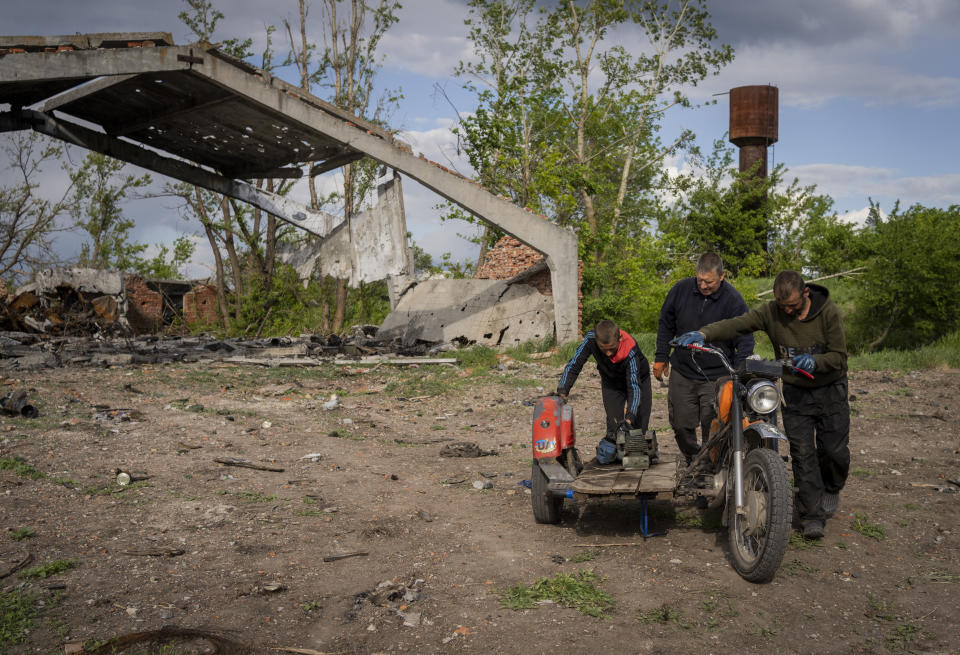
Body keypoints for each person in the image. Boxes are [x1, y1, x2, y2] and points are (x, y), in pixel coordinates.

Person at [677, 270, 850, 540]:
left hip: (831, 390)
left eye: (792, 306)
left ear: (806, 294)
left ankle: (832, 486)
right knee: (803, 454)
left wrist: (817, 362)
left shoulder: (828, 313)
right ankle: (811, 516)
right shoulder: (771, 312)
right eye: (783, 307)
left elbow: (839, 357)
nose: (788, 312)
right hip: (796, 391)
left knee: (834, 451)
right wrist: (704, 333)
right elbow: (737, 324)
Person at [653, 253, 754, 466]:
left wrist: (738, 374)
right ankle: (693, 457)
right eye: (700, 280)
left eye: (709, 281)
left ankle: (711, 465)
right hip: (683, 370)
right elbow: (665, 324)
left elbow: (745, 338)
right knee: (681, 424)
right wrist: (661, 357)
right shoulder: (680, 290)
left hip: (716, 374)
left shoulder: (733, 300)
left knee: (714, 425)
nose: (703, 285)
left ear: (722, 276)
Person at [557, 319, 652, 464]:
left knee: (635, 430)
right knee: (614, 427)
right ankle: (614, 460)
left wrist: (629, 418)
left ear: (619, 338)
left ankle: (637, 461)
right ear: (596, 340)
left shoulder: (630, 349)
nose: (608, 353)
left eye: (612, 349)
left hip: (639, 381)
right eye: (603, 349)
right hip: (611, 382)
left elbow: (634, 386)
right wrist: (562, 391)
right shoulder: (590, 339)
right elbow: (574, 364)